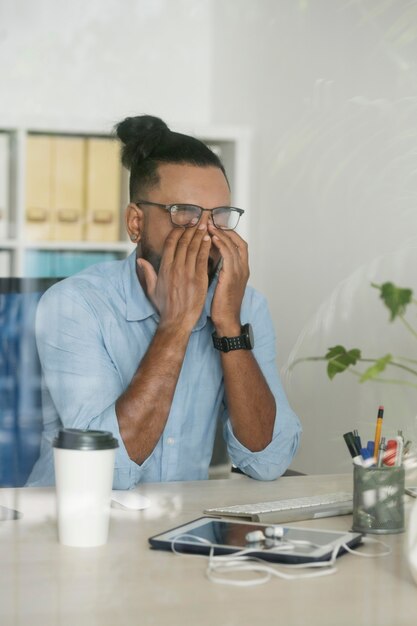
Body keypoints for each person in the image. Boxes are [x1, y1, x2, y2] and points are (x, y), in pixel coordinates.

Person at [27, 115, 301, 488]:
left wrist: (229, 326)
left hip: (177, 529)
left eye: (218, 216)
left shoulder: (243, 306)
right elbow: (107, 473)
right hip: (70, 527)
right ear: (136, 222)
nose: (205, 235)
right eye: (184, 214)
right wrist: (176, 324)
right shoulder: (74, 305)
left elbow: (268, 462)